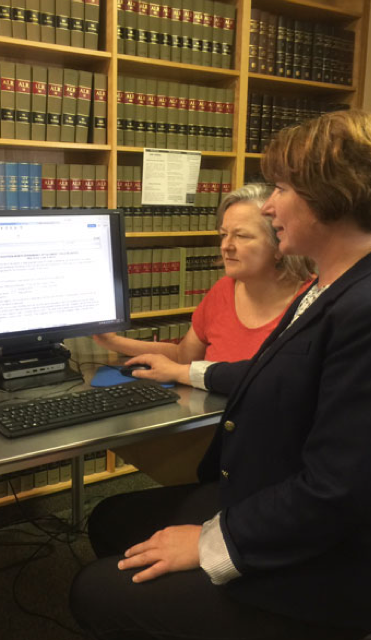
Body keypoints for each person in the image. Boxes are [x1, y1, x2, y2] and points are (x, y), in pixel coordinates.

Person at [70, 109, 371, 640]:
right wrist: (187, 372)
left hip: (327, 576)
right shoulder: (335, 283)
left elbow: (338, 490)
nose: (268, 206)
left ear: (329, 195)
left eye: (284, 189)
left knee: (92, 590)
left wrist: (211, 545)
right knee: (113, 522)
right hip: (274, 498)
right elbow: (276, 371)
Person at [96, 184, 314, 485]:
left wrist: (178, 371)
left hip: (273, 463)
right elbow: (184, 358)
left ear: (280, 244)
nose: (226, 246)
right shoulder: (223, 291)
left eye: (242, 235)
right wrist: (115, 342)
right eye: (223, 234)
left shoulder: (313, 305)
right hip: (215, 444)